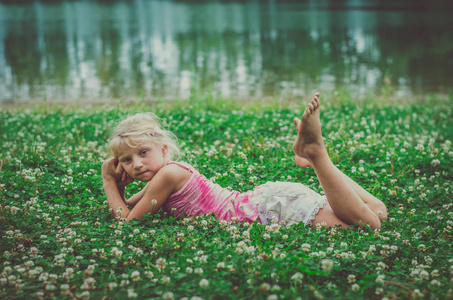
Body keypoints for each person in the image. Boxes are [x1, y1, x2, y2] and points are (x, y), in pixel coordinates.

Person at [101, 93, 387, 230]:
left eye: (142, 153)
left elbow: (127, 222)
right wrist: (121, 186)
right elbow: (131, 209)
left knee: (368, 226)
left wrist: (109, 181)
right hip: (271, 200)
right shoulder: (167, 175)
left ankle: (316, 154)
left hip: (269, 210)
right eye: (125, 160)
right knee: (378, 211)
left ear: (164, 150)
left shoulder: (167, 176)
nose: (136, 165)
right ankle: (316, 164)